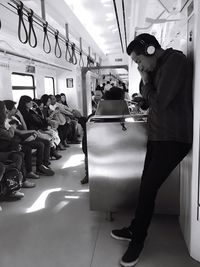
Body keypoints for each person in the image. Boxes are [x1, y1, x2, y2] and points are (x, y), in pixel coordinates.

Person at [110, 33, 193, 267]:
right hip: (158, 137)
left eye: (139, 61)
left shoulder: (174, 62)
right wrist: (146, 81)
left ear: (150, 50)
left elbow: (159, 100)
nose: (139, 67)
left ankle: (137, 241)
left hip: (174, 139)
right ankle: (135, 228)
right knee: (145, 185)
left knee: (148, 188)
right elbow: (146, 98)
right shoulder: (156, 68)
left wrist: (146, 82)